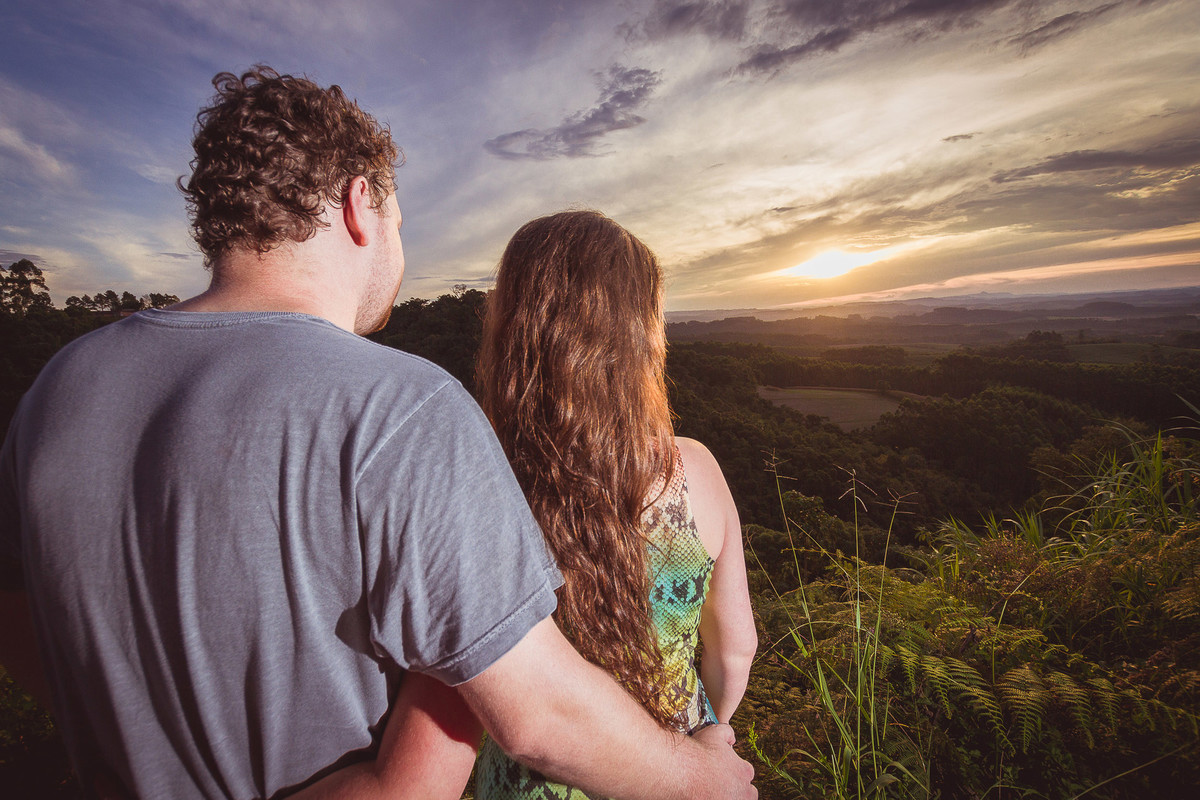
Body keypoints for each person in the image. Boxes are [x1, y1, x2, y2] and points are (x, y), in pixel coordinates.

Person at [0, 67, 756, 800]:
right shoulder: (404, 409)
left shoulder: (55, 389)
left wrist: (116, 743)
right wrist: (702, 778)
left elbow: (24, 619)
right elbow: (534, 719)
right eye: (400, 220)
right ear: (361, 204)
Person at [471, 210, 758, 798]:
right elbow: (734, 649)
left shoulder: (477, 480)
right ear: (640, 333)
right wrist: (713, 736)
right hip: (685, 770)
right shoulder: (692, 470)